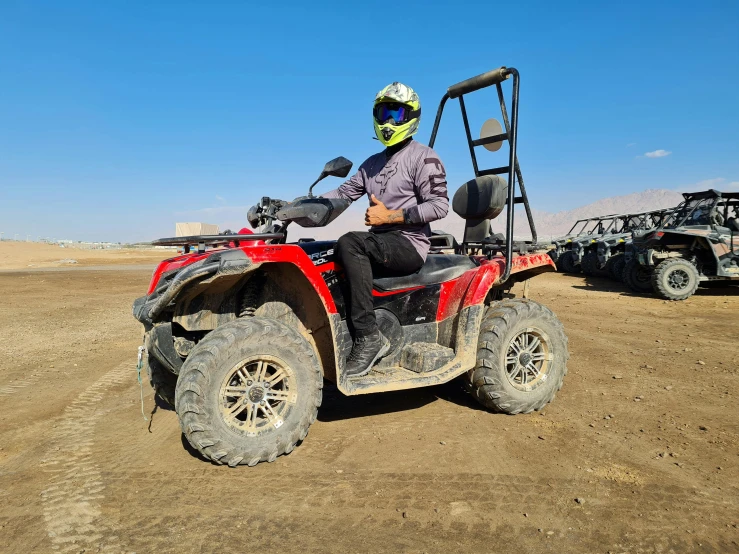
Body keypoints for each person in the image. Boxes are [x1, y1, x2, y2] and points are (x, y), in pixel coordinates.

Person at [322, 82, 449, 377]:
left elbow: (439, 206)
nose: (389, 121)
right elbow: (341, 195)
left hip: (409, 242)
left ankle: (368, 337)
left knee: (350, 243)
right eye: (384, 113)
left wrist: (390, 217)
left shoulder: (424, 157)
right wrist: (297, 206)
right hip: (381, 242)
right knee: (326, 252)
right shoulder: (371, 164)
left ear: (411, 117)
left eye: (397, 113)